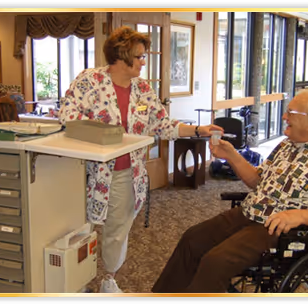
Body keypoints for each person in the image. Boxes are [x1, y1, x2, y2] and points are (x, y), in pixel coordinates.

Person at [58, 26, 223, 293]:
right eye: (140, 56)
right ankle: (74, 282)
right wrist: (103, 134)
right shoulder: (90, 81)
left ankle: (108, 280)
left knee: (117, 230)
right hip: (85, 171)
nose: (144, 62)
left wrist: (197, 130)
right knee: (77, 229)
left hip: (126, 172)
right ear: (122, 56)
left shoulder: (143, 89)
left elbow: (161, 124)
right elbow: (67, 115)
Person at [152, 89, 308, 293]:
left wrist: (297, 215)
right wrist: (231, 155)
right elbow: (257, 181)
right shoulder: (286, 146)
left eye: (292, 113)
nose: (284, 116)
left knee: (215, 262)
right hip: (250, 212)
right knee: (192, 240)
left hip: (280, 230)